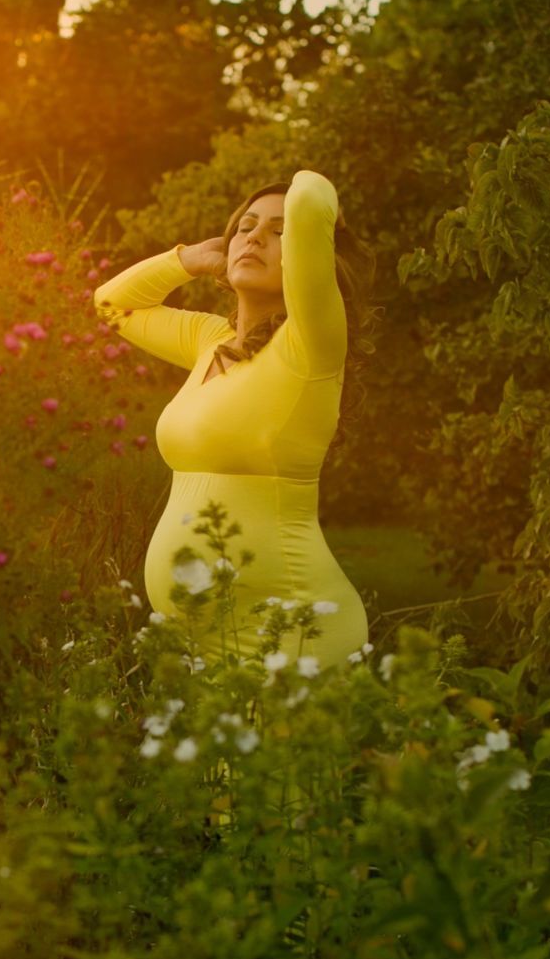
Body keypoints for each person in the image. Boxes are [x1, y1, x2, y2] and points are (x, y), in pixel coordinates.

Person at [92, 168, 376, 677]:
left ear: (308, 254)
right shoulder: (208, 341)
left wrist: (296, 207)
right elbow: (112, 305)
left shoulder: (311, 343)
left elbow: (311, 198)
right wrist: (190, 259)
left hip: (292, 624)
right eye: (245, 226)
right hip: (208, 637)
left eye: (278, 229)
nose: (255, 237)